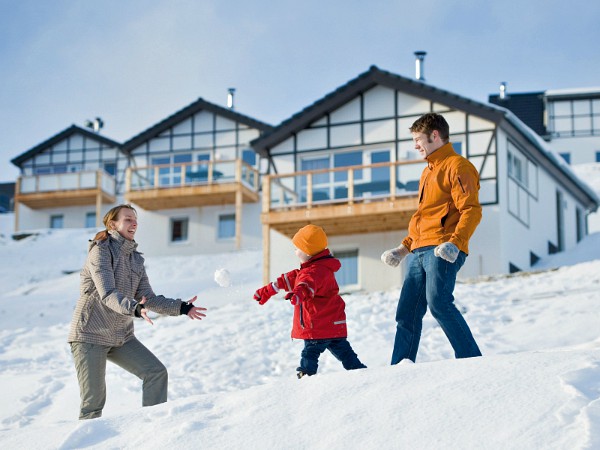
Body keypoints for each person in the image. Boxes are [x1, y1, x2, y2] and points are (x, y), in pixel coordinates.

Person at [68, 204, 207, 419]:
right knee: (93, 402)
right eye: (128, 219)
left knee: (155, 372)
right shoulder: (100, 251)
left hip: (120, 336)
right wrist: (135, 308)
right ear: (113, 224)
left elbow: (148, 298)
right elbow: (107, 293)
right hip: (90, 334)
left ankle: (151, 428)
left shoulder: (136, 259)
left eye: (135, 220)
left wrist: (182, 307)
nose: (134, 223)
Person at [381, 113, 482, 364]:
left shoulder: (458, 166)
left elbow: (471, 210)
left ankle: (472, 361)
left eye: (418, 139)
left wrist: (455, 243)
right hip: (419, 251)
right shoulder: (427, 173)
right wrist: (404, 248)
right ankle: (400, 367)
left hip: (443, 248)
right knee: (407, 313)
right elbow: (423, 217)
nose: (416, 145)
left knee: (438, 303)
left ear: (434, 136)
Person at [253, 224, 366, 378]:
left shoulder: (314, 272)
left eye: (297, 248)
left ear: (307, 252)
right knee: (344, 351)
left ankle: (306, 374)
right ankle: (360, 371)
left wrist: (297, 295)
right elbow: (290, 280)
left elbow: (306, 285)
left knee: (310, 352)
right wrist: (268, 290)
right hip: (332, 326)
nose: (295, 251)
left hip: (318, 326)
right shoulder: (314, 269)